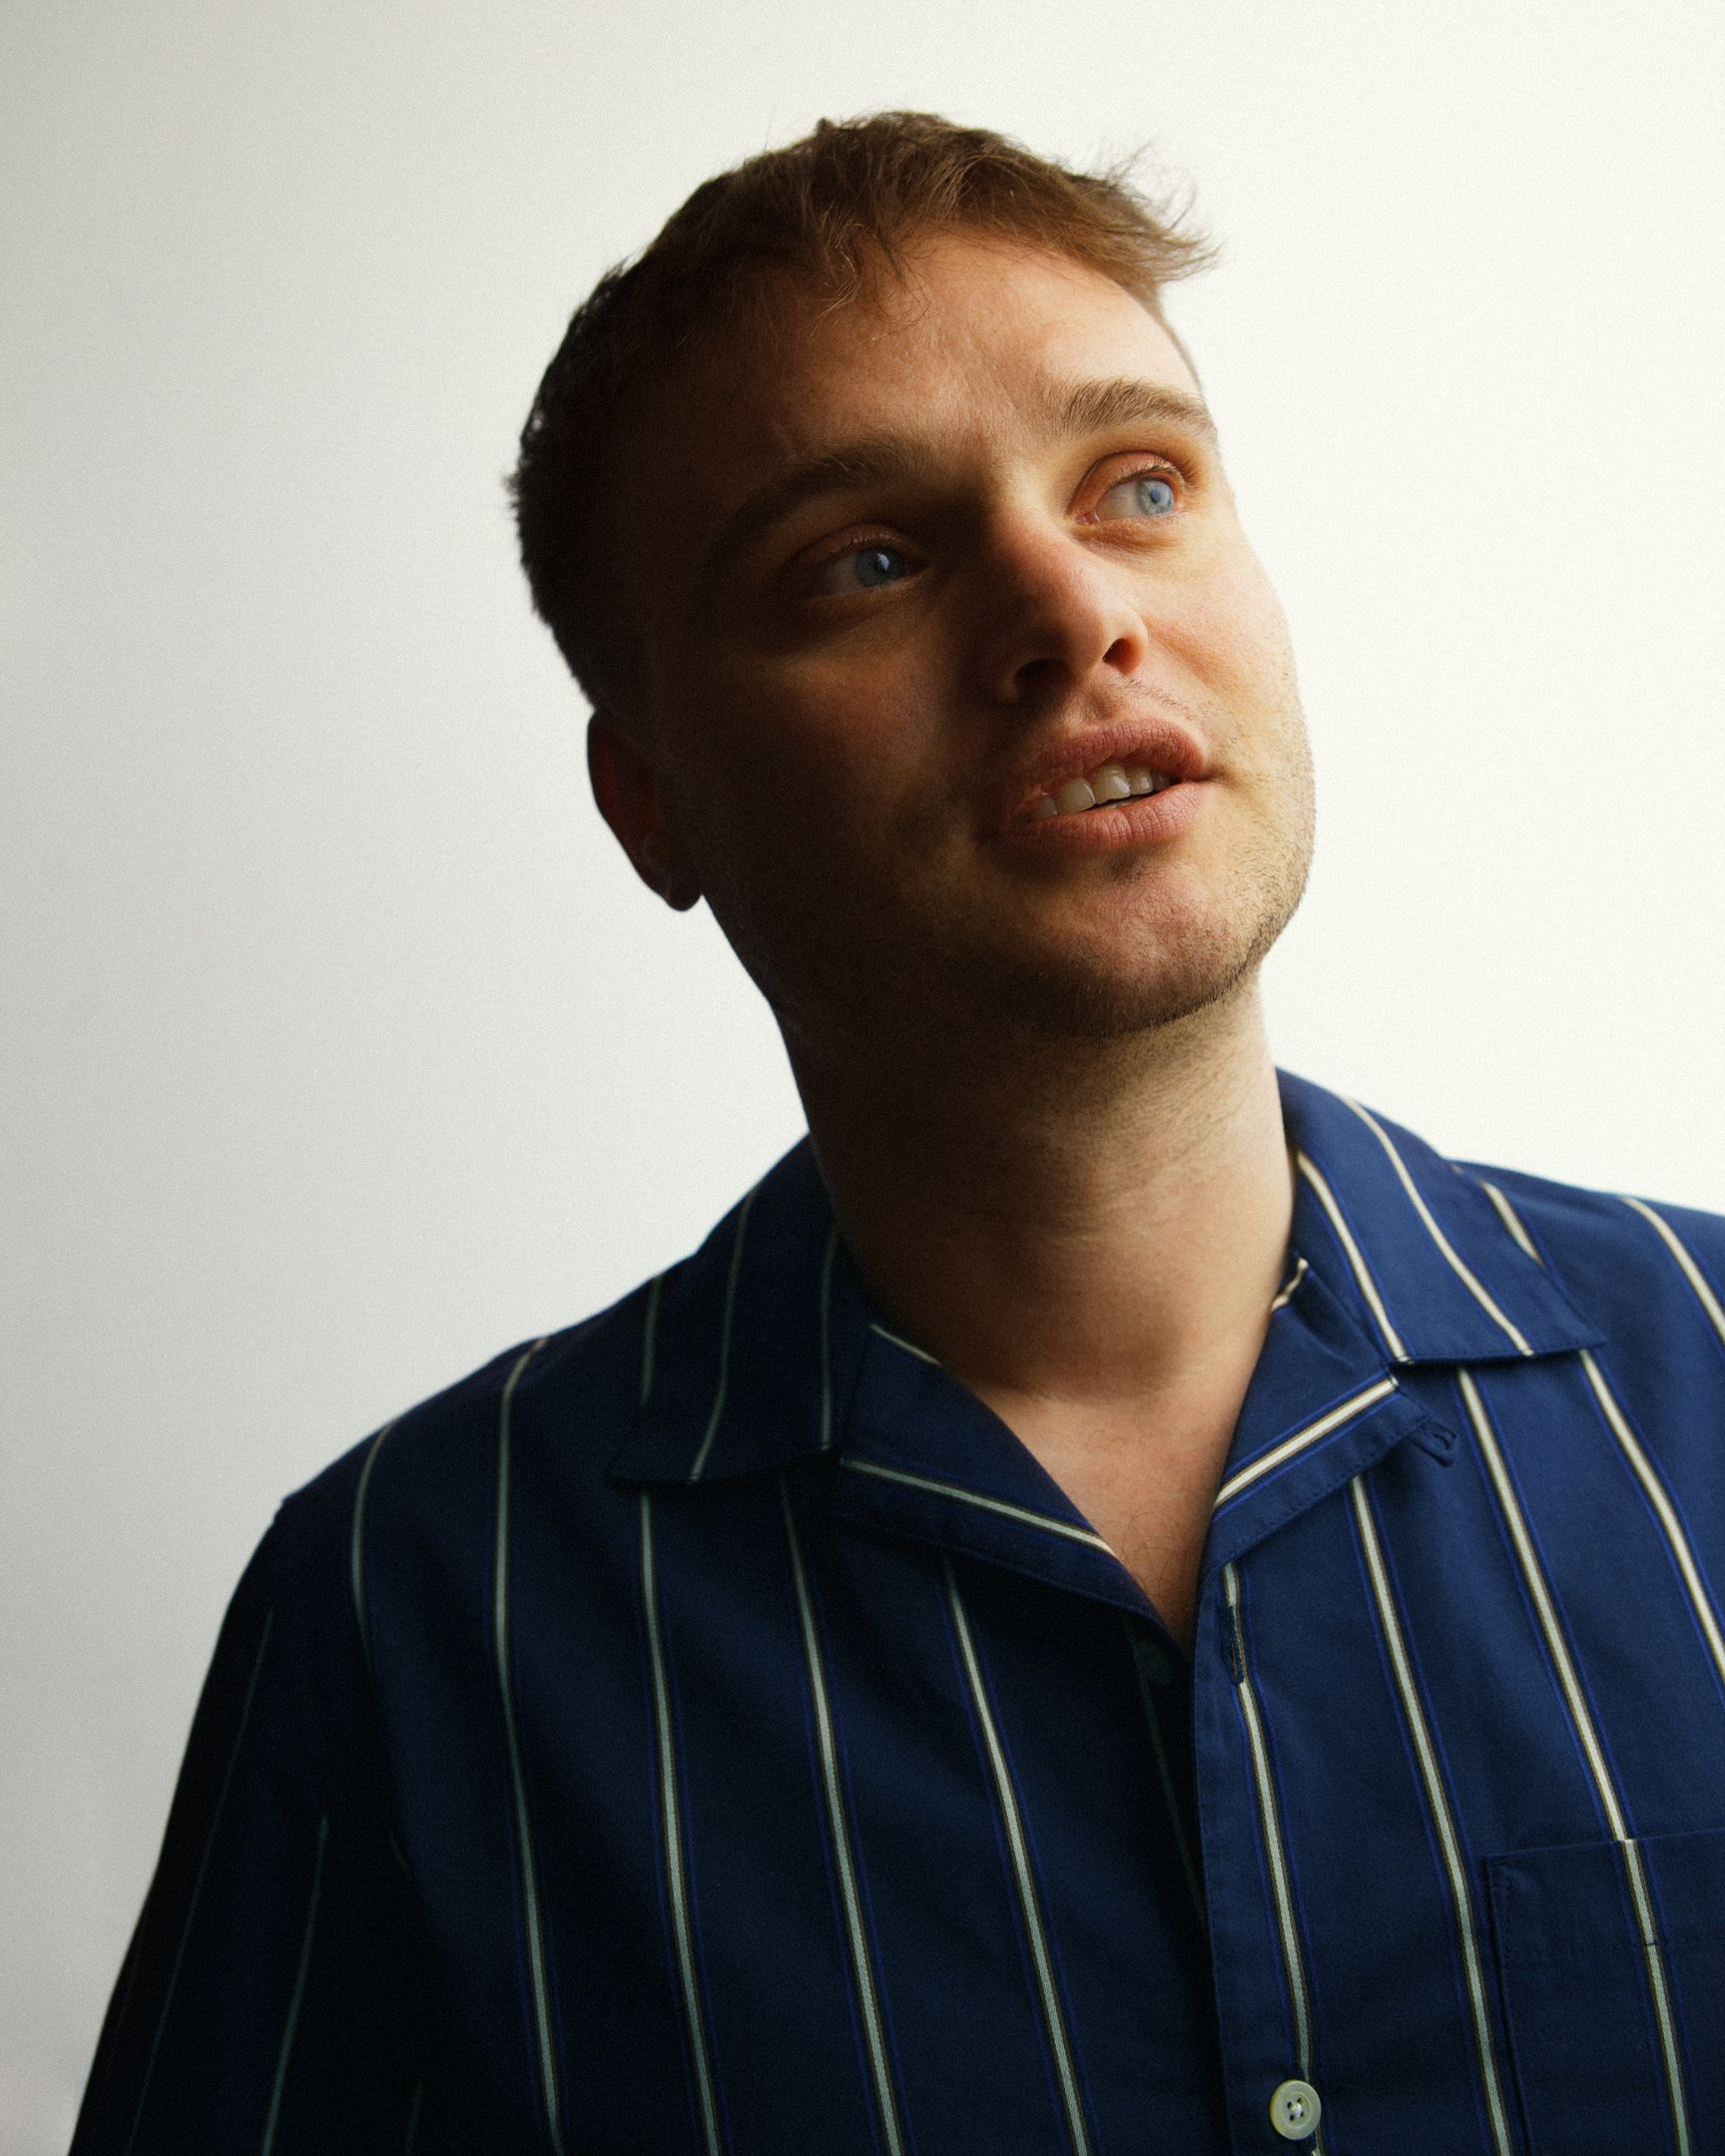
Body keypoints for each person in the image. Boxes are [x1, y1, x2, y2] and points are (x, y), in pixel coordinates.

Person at [71, 111, 1725, 2156]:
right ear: (651, 800)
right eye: (866, 557)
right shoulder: (410, 1617)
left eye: (1139, 484)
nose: (1073, 609)